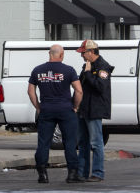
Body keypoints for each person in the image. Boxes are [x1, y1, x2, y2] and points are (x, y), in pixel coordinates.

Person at [27, 44, 83, 183]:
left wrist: (38, 107)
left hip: (46, 110)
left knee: (43, 143)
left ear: (49, 54)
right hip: (66, 110)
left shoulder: (37, 70)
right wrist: (75, 106)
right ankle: (72, 174)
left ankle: (42, 174)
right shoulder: (69, 70)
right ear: (61, 55)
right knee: (70, 142)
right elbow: (79, 90)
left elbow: (30, 91)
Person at [76, 39, 113, 182]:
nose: (82, 56)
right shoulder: (87, 66)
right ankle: (82, 173)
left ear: (91, 52)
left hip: (95, 109)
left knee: (96, 143)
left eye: (83, 53)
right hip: (84, 108)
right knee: (83, 142)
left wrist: (88, 73)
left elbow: (100, 87)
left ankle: (98, 173)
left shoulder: (103, 67)